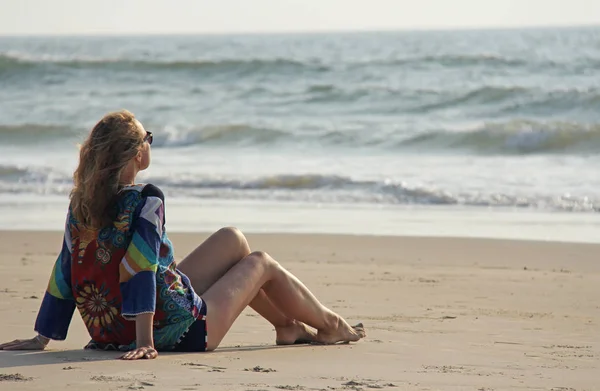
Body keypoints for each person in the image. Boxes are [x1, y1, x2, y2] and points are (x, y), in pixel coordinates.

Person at [0, 110, 366, 360]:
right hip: (180, 332)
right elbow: (139, 267)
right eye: (148, 138)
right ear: (136, 154)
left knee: (234, 241)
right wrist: (145, 342)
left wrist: (41, 336)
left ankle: (287, 327)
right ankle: (332, 325)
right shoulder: (147, 199)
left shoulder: (80, 203)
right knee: (261, 263)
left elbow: (67, 269)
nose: (149, 144)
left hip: (109, 332)